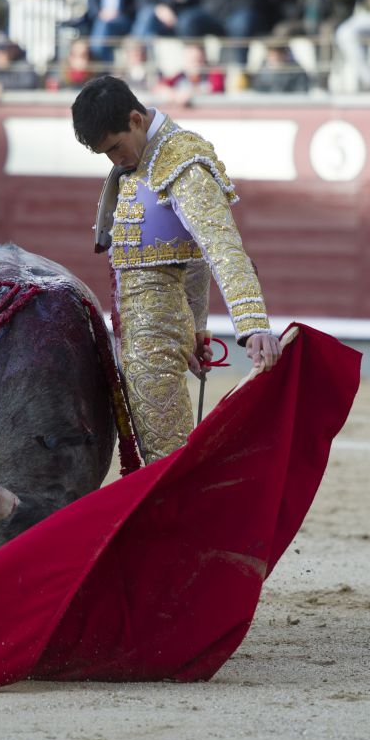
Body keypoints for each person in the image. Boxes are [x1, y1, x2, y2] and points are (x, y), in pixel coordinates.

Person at [71, 75, 280, 463]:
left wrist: (253, 326)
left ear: (135, 118)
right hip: (135, 331)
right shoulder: (142, 159)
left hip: (157, 337)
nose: (114, 160)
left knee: (166, 457)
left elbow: (221, 247)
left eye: (115, 147)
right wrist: (197, 326)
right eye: (106, 154)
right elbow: (194, 258)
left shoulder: (182, 163)